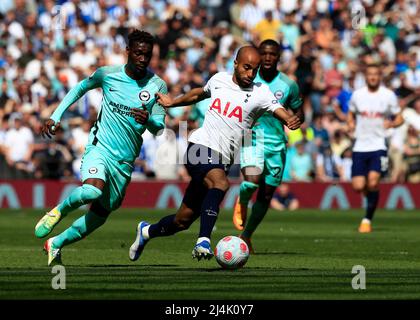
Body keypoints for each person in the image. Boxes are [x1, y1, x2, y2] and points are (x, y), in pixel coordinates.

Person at [129, 46, 301, 262]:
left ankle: (146, 231)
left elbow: (279, 111)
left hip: (222, 160)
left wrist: (289, 120)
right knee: (220, 184)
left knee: (181, 221)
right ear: (235, 64)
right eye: (247, 68)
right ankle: (203, 241)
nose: (251, 74)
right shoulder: (219, 79)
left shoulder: (261, 93)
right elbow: (199, 93)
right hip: (199, 147)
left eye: (254, 70)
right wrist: (173, 101)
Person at [34, 30, 168, 266]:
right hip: (100, 148)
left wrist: (148, 119)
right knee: (92, 191)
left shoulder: (157, 85)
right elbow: (80, 88)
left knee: (99, 216)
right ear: (128, 52)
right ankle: (58, 211)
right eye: (138, 53)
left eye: (147, 55)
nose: (142, 59)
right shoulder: (108, 75)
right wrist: (55, 116)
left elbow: (159, 128)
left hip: (124, 162)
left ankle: (55, 243)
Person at [232, 39, 303, 253]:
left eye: (273, 54)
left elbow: (300, 110)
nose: (268, 57)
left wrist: (296, 119)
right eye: (264, 53)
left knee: (266, 195)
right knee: (252, 182)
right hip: (251, 139)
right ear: (258, 56)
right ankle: (242, 201)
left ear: (279, 57)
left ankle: (246, 236)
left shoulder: (288, 85)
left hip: (277, 144)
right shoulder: (249, 80)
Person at [347, 63, 403, 233]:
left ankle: (367, 220)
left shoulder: (388, 95)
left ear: (380, 76)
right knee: (358, 186)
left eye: (376, 74)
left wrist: (392, 123)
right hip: (360, 146)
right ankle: (370, 196)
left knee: (373, 182)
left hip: (379, 145)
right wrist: (350, 123)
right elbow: (351, 113)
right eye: (370, 74)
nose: (372, 77)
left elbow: (400, 118)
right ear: (366, 76)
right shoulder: (357, 95)